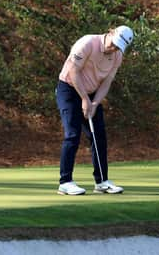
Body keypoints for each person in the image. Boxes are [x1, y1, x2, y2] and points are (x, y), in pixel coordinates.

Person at [56, 26, 133, 195]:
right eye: (114, 43)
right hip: (68, 89)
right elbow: (73, 71)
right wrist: (84, 99)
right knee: (72, 134)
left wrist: (95, 103)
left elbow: (106, 82)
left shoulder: (117, 56)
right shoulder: (88, 43)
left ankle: (101, 182)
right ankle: (65, 182)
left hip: (91, 94)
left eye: (118, 47)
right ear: (110, 32)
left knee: (98, 136)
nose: (114, 48)